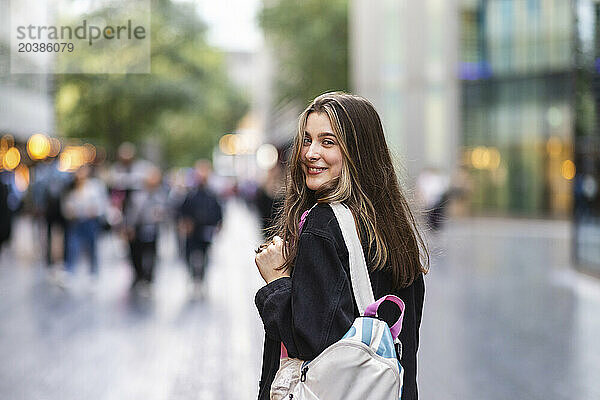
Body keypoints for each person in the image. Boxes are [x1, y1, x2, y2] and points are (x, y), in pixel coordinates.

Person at [254, 92, 429, 400]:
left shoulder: (323, 225)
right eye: (307, 140)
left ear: (357, 152)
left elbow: (309, 343)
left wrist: (277, 283)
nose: (310, 153)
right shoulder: (393, 227)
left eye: (328, 141)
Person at [178, 160, 223, 295]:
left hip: (206, 230)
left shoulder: (212, 194)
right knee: (189, 254)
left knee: (205, 255)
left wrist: (218, 224)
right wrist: (185, 224)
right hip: (193, 231)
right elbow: (182, 211)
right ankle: (193, 277)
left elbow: (218, 211)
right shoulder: (190, 194)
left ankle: (201, 278)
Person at [62, 165, 108, 284]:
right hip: (76, 221)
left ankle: (93, 272)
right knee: (72, 247)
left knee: (92, 247)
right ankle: (70, 271)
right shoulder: (71, 187)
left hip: (90, 222)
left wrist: (95, 211)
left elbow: (102, 203)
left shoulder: (95, 186)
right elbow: (66, 204)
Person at [125, 166, 167, 290]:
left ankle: (149, 277)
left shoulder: (160, 194)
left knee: (151, 253)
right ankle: (138, 275)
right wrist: (129, 226)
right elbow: (131, 212)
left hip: (153, 228)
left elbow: (166, 211)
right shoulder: (137, 194)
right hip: (139, 228)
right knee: (136, 253)